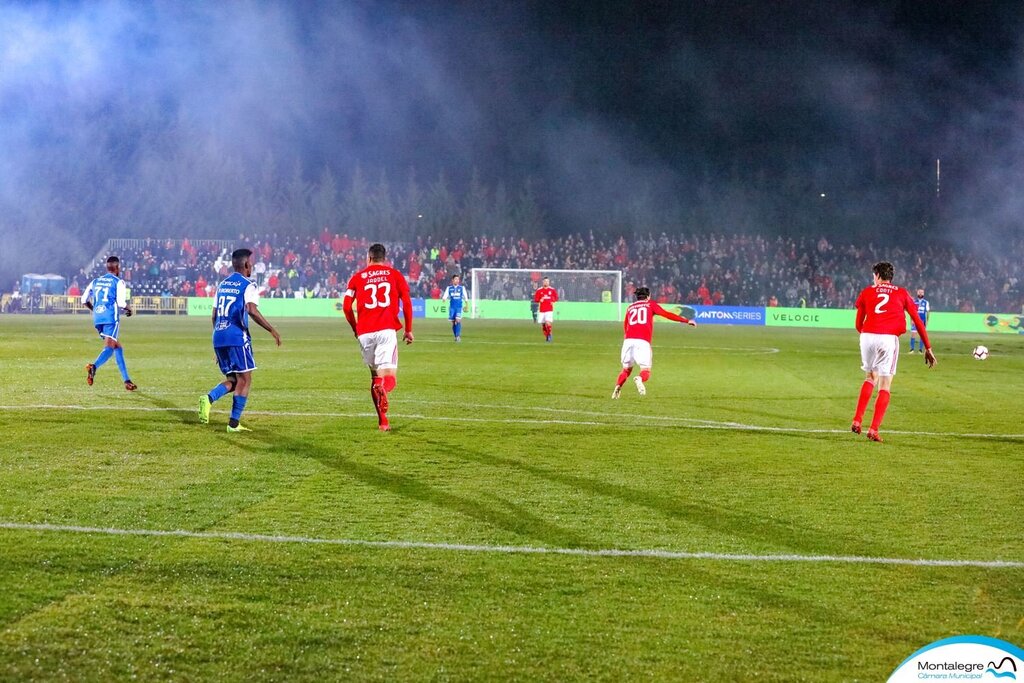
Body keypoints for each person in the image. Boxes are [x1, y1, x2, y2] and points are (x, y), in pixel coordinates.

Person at [198, 248, 281, 432]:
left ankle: (209, 399)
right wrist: (271, 329)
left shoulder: (222, 285)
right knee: (245, 379)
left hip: (218, 336)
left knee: (234, 380)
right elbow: (251, 310)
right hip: (236, 336)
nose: (251, 265)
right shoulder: (248, 285)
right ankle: (232, 423)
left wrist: (217, 343)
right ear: (245, 264)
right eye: (250, 262)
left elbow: (214, 315)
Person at [851, 262, 936, 442]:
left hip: (867, 336)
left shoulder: (867, 291)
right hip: (888, 338)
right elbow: (917, 321)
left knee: (869, 377)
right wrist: (927, 347)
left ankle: (857, 420)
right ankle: (873, 429)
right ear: (891, 277)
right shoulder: (902, 292)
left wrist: (869, 333)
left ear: (877, 275)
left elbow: (858, 324)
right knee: (885, 384)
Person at [343, 243, 414, 432]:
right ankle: (383, 390)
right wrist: (408, 330)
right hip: (386, 330)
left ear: (369, 258)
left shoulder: (357, 278)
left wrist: (355, 328)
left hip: (365, 333)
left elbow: (346, 306)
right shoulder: (395, 275)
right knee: (389, 377)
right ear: (385, 258)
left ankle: (383, 422)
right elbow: (406, 302)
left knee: (375, 377)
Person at [612, 287, 696, 398]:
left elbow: (625, 325)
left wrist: (626, 338)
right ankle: (639, 379)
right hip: (642, 341)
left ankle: (617, 388)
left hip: (628, 341)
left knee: (626, 369)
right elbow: (666, 314)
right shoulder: (650, 304)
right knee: (646, 370)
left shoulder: (630, 307)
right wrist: (686, 321)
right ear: (648, 296)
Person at [82, 256, 136, 391]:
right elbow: (122, 303)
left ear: (107, 267)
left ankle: (127, 380)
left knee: (117, 347)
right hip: (110, 317)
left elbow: (84, 299)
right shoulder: (119, 282)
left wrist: (94, 309)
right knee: (110, 347)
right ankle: (93, 366)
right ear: (118, 268)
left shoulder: (95, 281)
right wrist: (129, 309)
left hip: (98, 317)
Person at [442, 274, 469, 341]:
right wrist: (444, 299)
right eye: (455, 279)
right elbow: (444, 297)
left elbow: (466, 297)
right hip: (452, 308)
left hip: (459, 307)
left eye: (458, 279)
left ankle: (458, 336)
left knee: (458, 320)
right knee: (453, 322)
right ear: (452, 280)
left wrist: (467, 305)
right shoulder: (449, 288)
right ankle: (456, 336)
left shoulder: (462, 288)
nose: (457, 280)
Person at [533, 276, 558, 342]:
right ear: (543, 282)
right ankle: (547, 336)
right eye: (545, 281)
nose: (546, 282)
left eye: (547, 281)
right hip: (541, 310)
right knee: (543, 324)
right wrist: (540, 300)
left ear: (549, 282)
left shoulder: (552, 290)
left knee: (548, 322)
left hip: (549, 309)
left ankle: (549, 335)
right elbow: (536, 299)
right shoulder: (539, 290)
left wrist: (552, 300)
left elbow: (556, 298)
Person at [908, 288, 930, 353]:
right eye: (919, 292)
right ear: (917, 293)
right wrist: (911, 320)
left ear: (923, 294)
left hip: (922, 320)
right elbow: (911, 311)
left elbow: (928, 312)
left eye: (922, 292)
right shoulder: (914, 302)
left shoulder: (926, 302)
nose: (920, 293)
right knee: (913, 334)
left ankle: (920, 350)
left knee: (922, 335)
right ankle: (912, 349)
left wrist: (927, 321)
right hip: (915, 320)